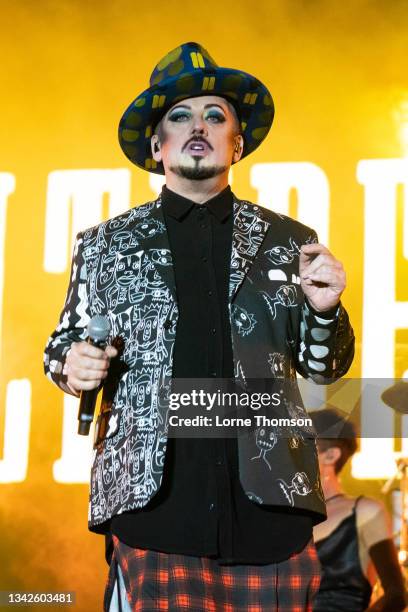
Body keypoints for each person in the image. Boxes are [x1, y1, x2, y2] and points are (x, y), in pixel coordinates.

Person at [44, 42, 355, 611]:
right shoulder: (106, 243)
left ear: (236, 142)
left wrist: (326, 310)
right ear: (157, 143)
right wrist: (73, 365)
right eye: (180, 116)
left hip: (271, 513)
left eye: (216, 117)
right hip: (156, 511)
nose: (199, 127)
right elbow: (63, 347)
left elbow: (324, 366)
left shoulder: (289, 239)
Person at [311, 407, 406, 612]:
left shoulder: (365, 511)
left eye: (301, 445)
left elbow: (396, 593)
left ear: (330, 455)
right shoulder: (284, 516)